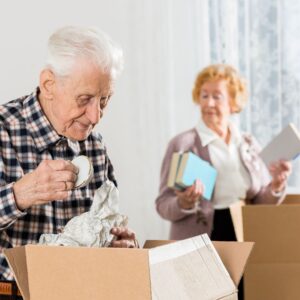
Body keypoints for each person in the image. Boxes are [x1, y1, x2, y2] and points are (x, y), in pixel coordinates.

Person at [0, 26, 138, 285]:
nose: (96, 116)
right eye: (84, 99)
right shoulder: (3, 131)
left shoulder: (95, 146)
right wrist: (19, 195)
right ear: (49, 84)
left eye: (105, 100)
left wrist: (121, 247)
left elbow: (103, 229)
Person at [156, 63, 292, 241]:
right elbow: (163, 204)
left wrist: (276, 185)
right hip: (200, 242)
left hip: (244, 234)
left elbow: (260, 201)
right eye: (204, 96)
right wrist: (184, 202)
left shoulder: (247, 143)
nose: (208, 103)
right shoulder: (182, 144)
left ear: (233, 103)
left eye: (216, 97)